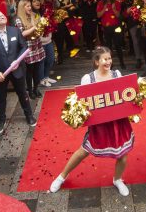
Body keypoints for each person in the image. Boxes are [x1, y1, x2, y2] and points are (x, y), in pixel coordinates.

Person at [49, 47, 134, 195]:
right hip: (99, 124)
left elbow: (124, 96)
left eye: (109, 58)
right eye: (104, 59)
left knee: (123, 154)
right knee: (83, 151)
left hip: (118, 123)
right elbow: (83, 103)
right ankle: (62, 176)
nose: (108, 62)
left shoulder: (117, 74)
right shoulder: (88, 78)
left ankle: (117, 179)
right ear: (96, 62)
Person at [0, 10, 37, 134]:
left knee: (22, 93)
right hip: (1, 74)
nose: (1, 16)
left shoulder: (15, 31)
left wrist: (17, 61)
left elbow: (24, 47)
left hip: (17, 70)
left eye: (2, 14)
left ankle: (29, 115)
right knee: (1, 98)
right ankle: (1, 120)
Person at [15, 0, 45, 100]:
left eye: (29, 6)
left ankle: (36, 88)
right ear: (22, 8)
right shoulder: (18, 19)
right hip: (28, 47)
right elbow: (22, 34)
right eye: (27, 6)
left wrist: (41, 26)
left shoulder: (34, 15)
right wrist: (34, 28)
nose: (30, 8)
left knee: (37, 70)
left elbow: (40, 27)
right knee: (29, 71)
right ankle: (30, 90)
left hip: (37, 45)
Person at [97, 0, 126, 69]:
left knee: (118, 45)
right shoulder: (101, 3)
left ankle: (122, 62)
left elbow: (118, 15)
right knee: (108, 47)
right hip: (106, 28)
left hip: (116, 27)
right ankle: (109, 64)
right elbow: (98, 15)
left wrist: (113, 8)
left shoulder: (117, 2)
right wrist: (104, 8)